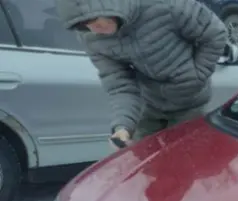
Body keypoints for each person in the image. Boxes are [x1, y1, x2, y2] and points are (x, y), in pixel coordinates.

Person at [55, 0, 228, 148]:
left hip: (190, 104)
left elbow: (215, 34)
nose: (94, 29)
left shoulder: (165, 6)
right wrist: (122, 126)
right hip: (149, 107)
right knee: (145, 167)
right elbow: (120, 84)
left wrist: (197, 74)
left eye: (94, 19)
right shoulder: (91, 38)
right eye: (83, 24)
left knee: (186, 164)